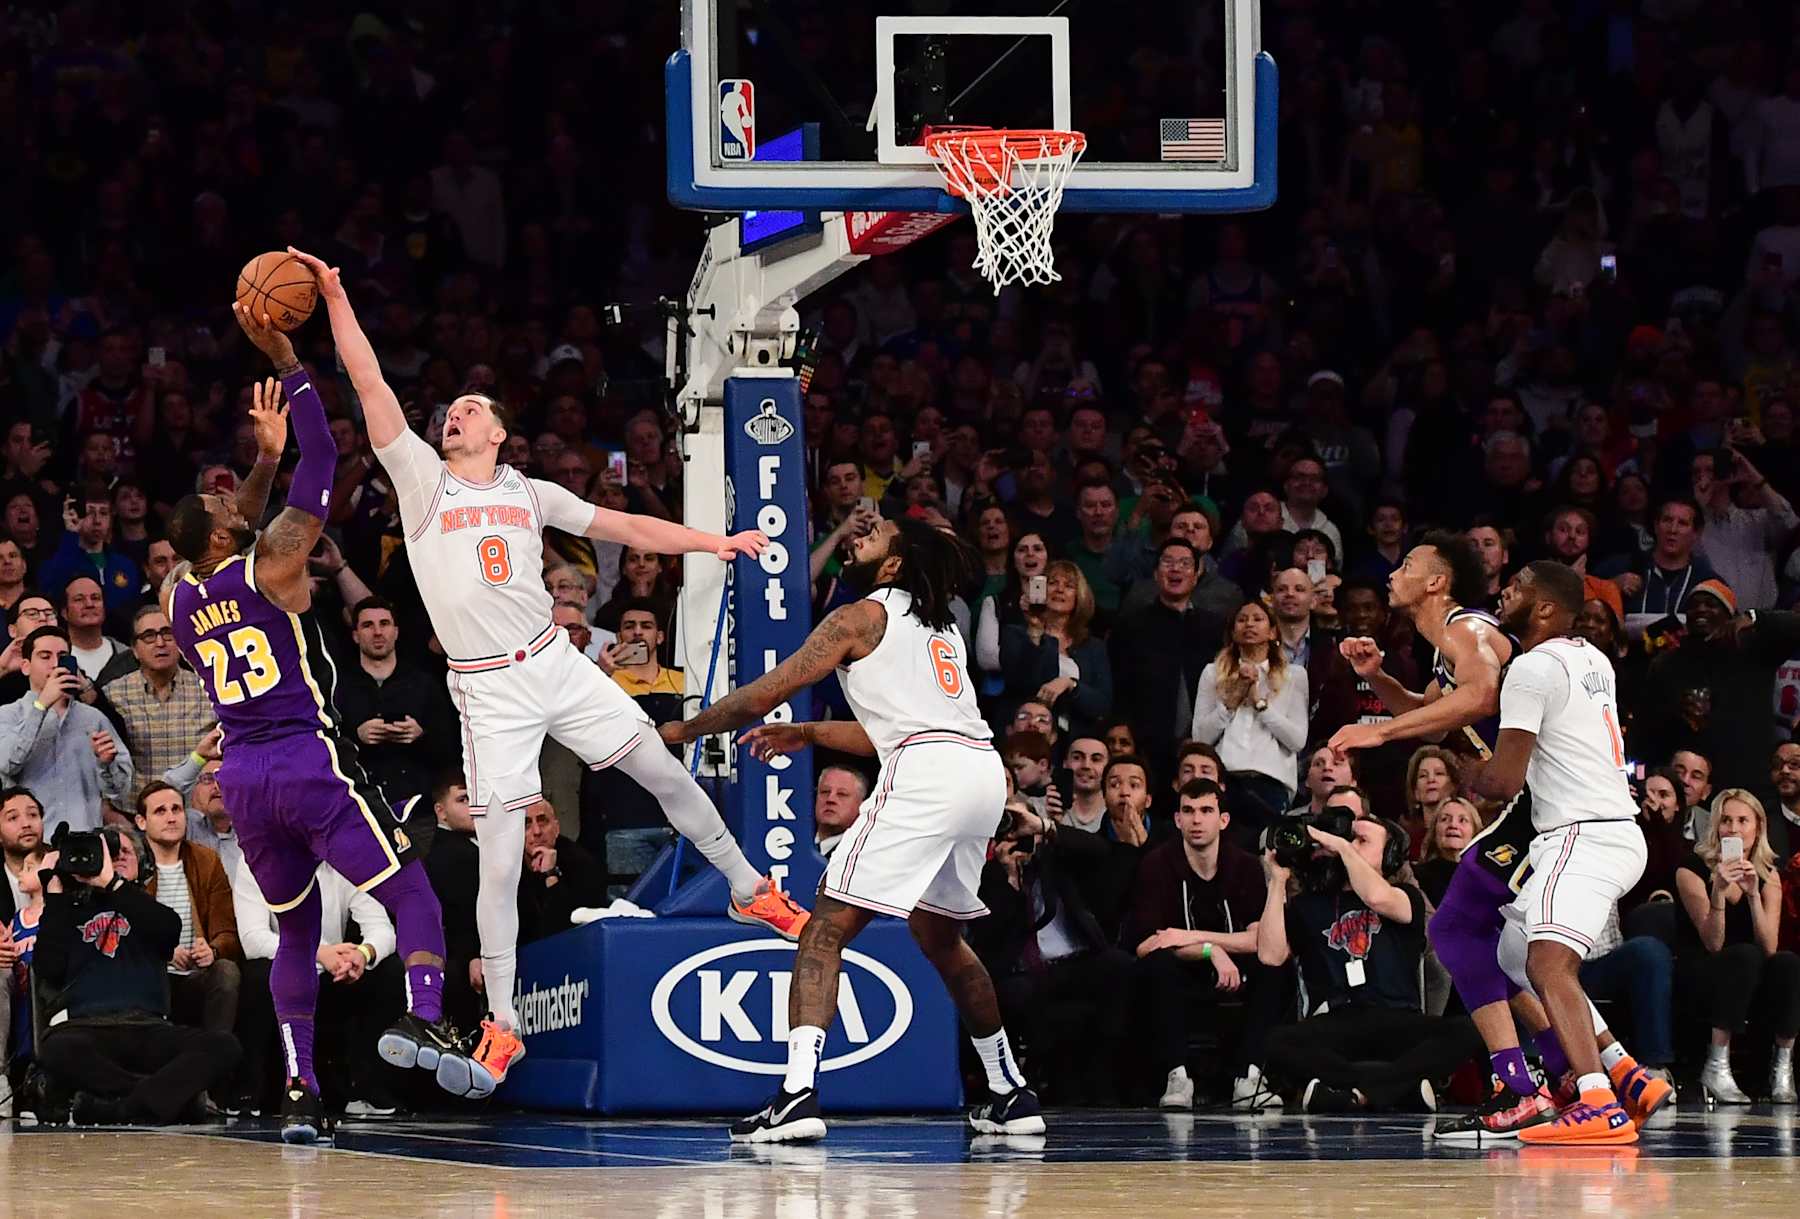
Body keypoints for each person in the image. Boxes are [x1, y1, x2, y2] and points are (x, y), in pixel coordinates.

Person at [290, 247, 806, 1097]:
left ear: (496, 431)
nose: (452, 416)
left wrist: (716, 541)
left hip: (554, 662)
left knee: (663, 772)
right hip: (488, 687)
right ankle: (504, 1027)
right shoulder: (422, 485)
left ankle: (751, 887)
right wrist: (339, 299)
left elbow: (627, 524)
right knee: (497, 861)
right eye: (448, 410)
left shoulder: (531, 491)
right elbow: (371, 384)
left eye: (468, 410)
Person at [163, 310, 469, 1143]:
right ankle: (425, 1017)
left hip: (244, 777)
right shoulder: (279, 564)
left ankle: (301, 1091)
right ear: (226, 530)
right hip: (307, 756)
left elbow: (239, 535)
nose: (227, 494)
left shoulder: (179, 595)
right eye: (219, 499)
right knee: (410, 889)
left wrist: (264, 458)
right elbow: (328, 459)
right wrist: (293, 366)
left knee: (298, 925)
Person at [663, 517, 1042, 1143]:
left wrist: (678, 732)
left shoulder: (859, 617)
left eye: (878, 534)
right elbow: (893, 730)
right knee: (941, 937)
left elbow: (763, 693)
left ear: (894, 565)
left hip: (925, 772)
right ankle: (1009, 1093)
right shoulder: (939, 626)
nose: (863, 534)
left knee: (824, 929)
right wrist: (810, 734)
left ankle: (796, 1096)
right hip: (980, 772)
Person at [1472, 560, 1651, 1145]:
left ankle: (1599, 1103)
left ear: (1545, 608)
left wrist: (1451, 761)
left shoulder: (1531, 666)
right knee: (1513, 952)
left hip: (1581, 832)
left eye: (1519, 585)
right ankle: (1626, 1070)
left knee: (1549, 965)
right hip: (1614, 830)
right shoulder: (1591, 657)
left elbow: (1501, 781)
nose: (1505, 591)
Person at [1257, 811, 1481, 1112]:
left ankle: (1350, 1093)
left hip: (1398, 1019)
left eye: (1360, 840)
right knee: (1276, 1041)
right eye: (1349, 839)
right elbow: (1270, 955)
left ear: (1387, 855)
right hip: (1338, 1019)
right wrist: (1277, 882)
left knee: (1470, 1029)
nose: (1346, 844)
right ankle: (1397, 1088)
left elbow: (1376, 897)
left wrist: (1343, 847)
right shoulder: (1309, 904)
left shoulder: (1406, 896)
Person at [33, 832, 241, 1125]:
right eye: (105, 852)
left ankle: (115, 1107)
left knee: (224, 1045)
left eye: (123, 852)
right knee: (55, 1049)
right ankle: (161, 1099)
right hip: (87, 1030)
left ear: (141, 864)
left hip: (149, 1029)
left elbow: (169, 929)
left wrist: (113, 884)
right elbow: (48, 969)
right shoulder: (65, 912)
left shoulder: (146, 907)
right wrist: (54, 894)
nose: (114, 858)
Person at [1124, 778, 1283, 1112]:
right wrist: (1213, 951)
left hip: (1235, 969)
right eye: (1189, 811)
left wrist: (1193, 936)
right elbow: (1148, 944)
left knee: (1272, 967)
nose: (1197, 820)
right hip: (1181, 969)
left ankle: (1249, 1076)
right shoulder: (1157, 864)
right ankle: (1177, 1076)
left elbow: (1261, 941)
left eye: (1206, 810)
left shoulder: (1245, 866)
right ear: (1178, 819)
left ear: (1223, 820)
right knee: (1157, 965)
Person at [971, 800, 1132, 1106]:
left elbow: (1101, 851)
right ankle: (1043, 1078)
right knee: (1024, 994)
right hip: (1020, 973)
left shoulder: (1057, 860)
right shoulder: (985, 874)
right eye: (1008, 828)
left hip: (1072, 963)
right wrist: (1009, 879)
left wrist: (1044, 827)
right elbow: (992, 935)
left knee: (1118, 965)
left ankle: (1110, 1072)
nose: (1017, 837)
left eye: (1021, 827)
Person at [1674, 789, 1800, 1104]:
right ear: (1715, 826)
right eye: (1726, 820)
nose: (1733, 828)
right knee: (1743, 955)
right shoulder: (1691, 870)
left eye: (1743, 820)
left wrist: (1754, 894)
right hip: (1703, 970)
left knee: (1787, 962)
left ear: (1757, 827)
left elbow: (1769, 947)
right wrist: (1718, 891)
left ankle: (1782, 1069)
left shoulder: (1769, 876)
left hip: (1751, 974)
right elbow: (1713, 943)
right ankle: (1716, 1065)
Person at [1190, 600, 1308, 851]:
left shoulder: (1294, 676)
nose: (1249, 624)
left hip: (1271, 786)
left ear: (1273, 631)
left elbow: (1297, 740)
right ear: (1233, 631)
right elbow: (1200, 738)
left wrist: (1259, 703)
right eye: (1242, 619)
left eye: (1257, 618)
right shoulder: (1212, 673)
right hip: (1225, 781)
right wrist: (1231, 702)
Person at [0, 625, 133, 833]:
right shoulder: (7, 715)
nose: (55, 664)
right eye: (45, 656)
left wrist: (107, 764)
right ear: (26, 666)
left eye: (62, 656)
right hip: (32, 844)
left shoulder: (93, 718)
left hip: (86, 841)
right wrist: (41, 705)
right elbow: (7, 765)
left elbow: (120, 792)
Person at [102, 605, 212, 798]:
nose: (160, 642)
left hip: (196, 816)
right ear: (134, 649)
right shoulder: (113, 695)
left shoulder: (208, 689)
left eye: (167, 633)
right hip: (133, 817)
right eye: (149, 636)